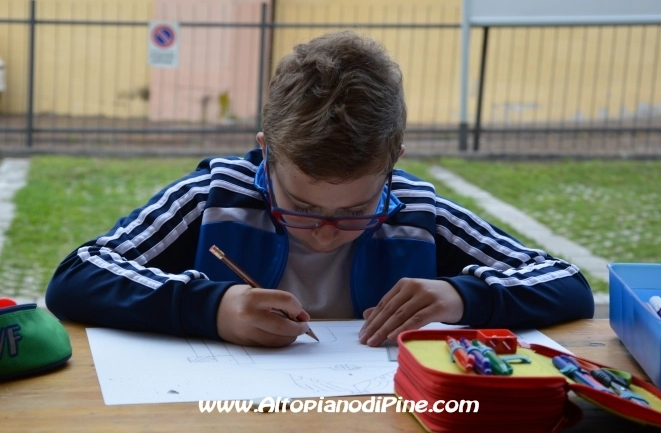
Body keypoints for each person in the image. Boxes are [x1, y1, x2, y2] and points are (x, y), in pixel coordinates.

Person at [45, 31, 594, 348]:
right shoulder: (214, 197)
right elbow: (77, 276)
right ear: (267, 152)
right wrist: (211, 308)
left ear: (393, 163)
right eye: (301, 207)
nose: (327, 233)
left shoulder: (418, 212)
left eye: (357, 209)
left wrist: (463, 297)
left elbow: (567, 283)